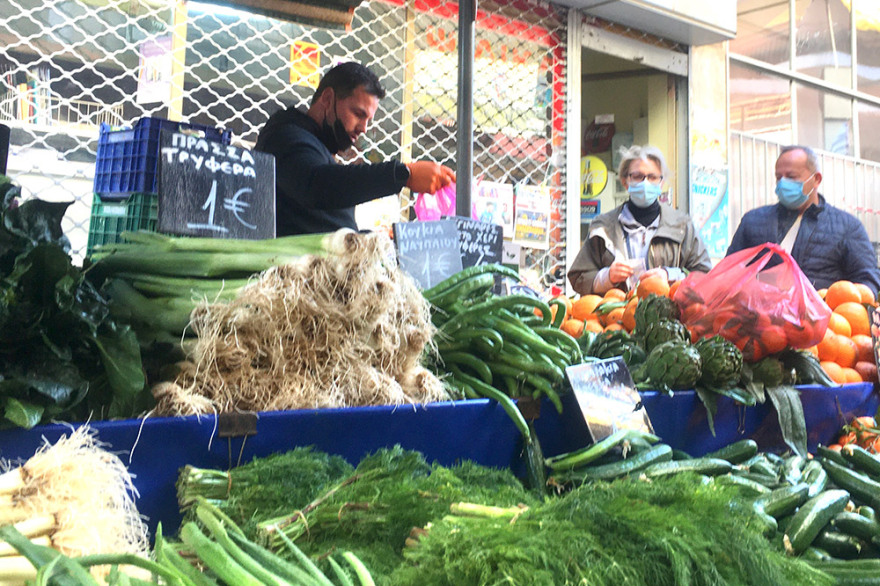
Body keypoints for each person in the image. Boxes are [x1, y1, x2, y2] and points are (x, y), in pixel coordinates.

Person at [255, 62, 455, 235]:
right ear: (327, 98)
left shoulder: (317, 147)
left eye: (368, 120)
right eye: (358, 114)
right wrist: (404, 175)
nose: (364, 128)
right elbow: (317, 184)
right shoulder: (285, 136)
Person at [726, 145, 880, 291]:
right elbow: (728, 273)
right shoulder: (753, 221)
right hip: (759, 317)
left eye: (791, 177)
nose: (783, 183)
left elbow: (867, 281)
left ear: (816, 179)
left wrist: (835, 306)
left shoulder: (847, 227)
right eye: (779, 177)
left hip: (823, 317)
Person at [567, 145, 712, 295]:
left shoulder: (682, 226)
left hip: (669, 315)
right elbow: (578, 277)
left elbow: (706, 276)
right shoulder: (604, 228)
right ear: (625, 181)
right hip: (616, 315)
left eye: (652, 177)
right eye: (637, 176)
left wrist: (671, 276)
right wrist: (607, 277)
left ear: (661, 182)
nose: (645, 183)